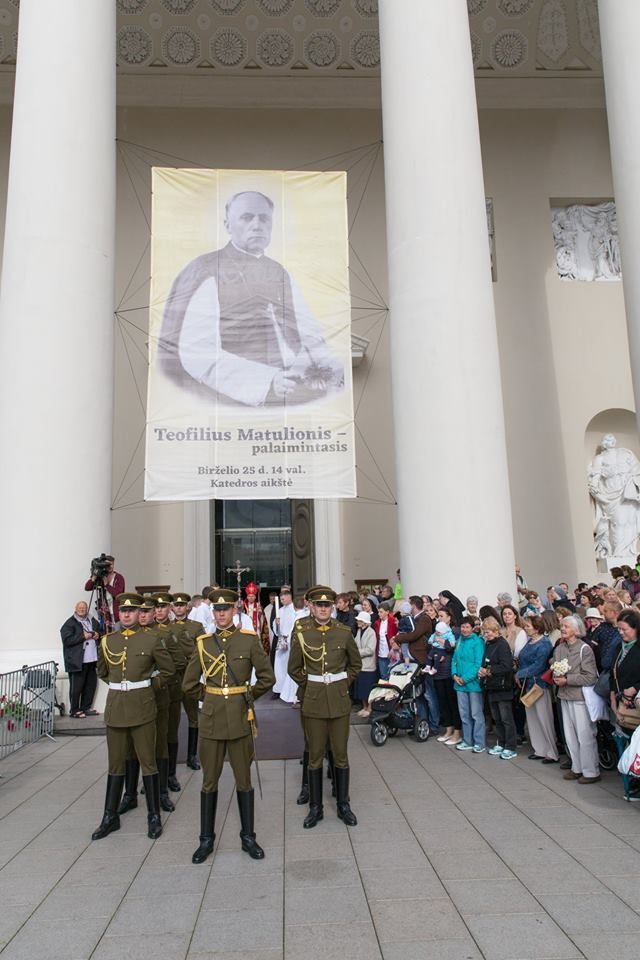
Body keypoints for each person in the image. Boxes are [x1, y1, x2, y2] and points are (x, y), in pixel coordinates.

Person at [159, 190, 344, 406]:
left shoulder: (279, 272)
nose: (257, 225)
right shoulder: (206, 270)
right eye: (247, 217)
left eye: (264, 218)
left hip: (294, 389)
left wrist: (329, 366)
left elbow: (308, 332)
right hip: (235, 397)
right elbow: (198, 354)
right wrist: (266, 381)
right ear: (228, 225)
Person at [181, 588, 274, 863]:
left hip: (239, 718)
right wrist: (208, 697)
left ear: (235, 610)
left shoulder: (248, 641)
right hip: (211, 720)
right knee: (209, 781)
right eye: (217, 610)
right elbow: (188, 684)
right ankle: (205, 840)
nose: (221, 614)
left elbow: (267, 678)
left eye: (226, 609)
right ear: (213, 613)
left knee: (243, 779)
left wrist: (247, 696)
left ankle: (248, 837)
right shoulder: (203, 643)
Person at [91, 593, 175, 842]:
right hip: (116, 708)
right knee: (115, 763)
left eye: (132, 611)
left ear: (140, 613)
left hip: (143, 707)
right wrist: (120, 686)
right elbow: (103, 671)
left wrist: (147, 685)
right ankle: (110, 816)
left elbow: (168, 670)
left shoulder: (151, 639)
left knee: (148, 762)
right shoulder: (108, 641)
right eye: (123, 611)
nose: (127, 615)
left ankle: (153, 815)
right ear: (119, 613)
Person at [288, 585, 362, 829]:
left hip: (339, 701)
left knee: (340, 755)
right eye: (319, 605)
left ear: (332, 607)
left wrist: (342, 684)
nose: (323, 609)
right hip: (314, 701)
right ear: (312, 606)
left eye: (327, 605)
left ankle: (343, 805)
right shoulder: (302, 631)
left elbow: (355, 664)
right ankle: (315, 808)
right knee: (315, 757)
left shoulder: (342, 631)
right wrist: (311, 686)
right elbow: (294, 668)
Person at [118, 595, 187, 816]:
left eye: (149, 611)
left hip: (158, 696)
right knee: (130, 747)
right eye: (145, 611)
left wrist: (153, 681)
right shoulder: (125, 638)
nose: (147, 615)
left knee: (160, 744)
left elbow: (178, 662)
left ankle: (162, 791)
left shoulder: (163, 634)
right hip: (133, 700)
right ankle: (129, 794)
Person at [551, 616, 600, 784]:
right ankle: (576, 767)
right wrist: (556, 676)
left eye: (566, 626)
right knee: (570, 735)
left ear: (576, 629)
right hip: (564, 695)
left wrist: (568, 679)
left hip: (579, 697)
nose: (562, 629)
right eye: (561, 626)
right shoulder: (559, 648)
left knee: (585, 734)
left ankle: (590, 771)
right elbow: (555, 666)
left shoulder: (584, 649)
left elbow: (590, 676)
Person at [516, 615, 558, 763]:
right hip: (527, 684)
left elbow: (539, 665)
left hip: (539, 685)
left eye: (528, 625)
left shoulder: (544, 644)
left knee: (544, 718)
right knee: (533, 718)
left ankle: (551, 751)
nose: (526, 628)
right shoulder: (530, 641)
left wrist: (519, 674)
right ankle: (539, 749)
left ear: (537, 627)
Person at [171, 592, 203, 772]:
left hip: (189, 676)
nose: (179, 608)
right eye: (176, 605)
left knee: (193, 717)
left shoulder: (196, 627)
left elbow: (202, 650)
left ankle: (192, 756)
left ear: (187, 608)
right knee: (171, 719)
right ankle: (170, 757)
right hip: (173, 677)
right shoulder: (166, 627)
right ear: (172, 608)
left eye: (182, 605)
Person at [479, 616, 517, 760]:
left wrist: (489, 670)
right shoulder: (489, 644)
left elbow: (507, 666)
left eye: (488, 631)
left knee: (506, 718)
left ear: (496, 631)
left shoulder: (502, 644)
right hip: (492, 686)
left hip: (503, 686)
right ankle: (501, 743)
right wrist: (484, 670)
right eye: (485, 632)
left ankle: (510, 746)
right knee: (497, 718)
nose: (486, 634)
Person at [451, 616, 486, 753]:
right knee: (464, 714)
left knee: (476, 714)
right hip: (459, 683)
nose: (464, 629)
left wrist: (465, 678)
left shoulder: (478, 642)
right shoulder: (459, 640)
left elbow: (478, 664)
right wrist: (454, 675)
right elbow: (454, 659)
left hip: (473, 684)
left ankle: (479, 742)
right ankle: (467, 740)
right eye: (463, 627)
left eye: (467, 627)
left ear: (472, 628)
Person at [60, 601, 101, 718]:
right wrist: (83, 636)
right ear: (75, 609)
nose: (82, 610)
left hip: (92, 659)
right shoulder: (69, 623)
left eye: (84, 608)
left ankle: (86, 707)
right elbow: (67, 640)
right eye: (80, 608)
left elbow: (100, 631)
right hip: (77, 661)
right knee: (76, 687)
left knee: (90, 684)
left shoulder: (91, 620)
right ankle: (74, 710)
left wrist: (98, 634)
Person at [428, 621, 461, 745]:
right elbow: (430, 646)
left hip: (448, 672)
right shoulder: (435, 634)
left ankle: (457, 732)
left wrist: (443, 642)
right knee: (443, 702)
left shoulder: (452, 633)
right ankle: (448, 729)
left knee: (452, 702)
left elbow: (452, 647)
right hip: (438, 672)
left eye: (442, 616)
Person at [610, 608, 640, 735]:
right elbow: (613, 673)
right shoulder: (619, 647)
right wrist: (612, 698)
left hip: (636, 708)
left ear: (636, 629)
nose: (621, 633)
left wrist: (635, 688)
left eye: (624, 629)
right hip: (621, 706)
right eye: (619, 629)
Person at [84, 555, 125, 630]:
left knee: (117, 634)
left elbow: (119, 594)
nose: (110, 566)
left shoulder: (119, 577)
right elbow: (87, 587)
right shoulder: (101, 577)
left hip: (117, 613)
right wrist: (94, 577)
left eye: (111, 564)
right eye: (107, 564)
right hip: (105, 613)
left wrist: (107, 585)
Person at [395, 595, 433, 666]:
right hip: (410, 657)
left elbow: (413, 635)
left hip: (419, 657)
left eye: (408, 604)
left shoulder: (424, 618)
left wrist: (397, 638)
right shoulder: (410, 618)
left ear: (413, 606)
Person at [273, 586, 296, 698]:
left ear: (289, 597)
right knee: (279, 665)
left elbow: (294, 624)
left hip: (290, 640)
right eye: (280, 600)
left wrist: (289, 636)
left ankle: (290, 691)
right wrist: (276, 623)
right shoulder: (280, 611)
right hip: (282, 640)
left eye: (283, 599)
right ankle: (279, 689)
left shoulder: (294, 609)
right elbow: (275, 628)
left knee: (289, 664)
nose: (281, 601)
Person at [353, 610, 377, 717]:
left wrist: (357, 652)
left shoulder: (371, 632)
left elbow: (370, 649)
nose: (357, 622)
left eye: (359, 620)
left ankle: (369, 708)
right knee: (361, 688)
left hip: (368, 666)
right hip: (360, 665)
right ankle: (364, 707)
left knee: (368, 689)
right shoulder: (359, 631)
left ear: (364, 622)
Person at [374, 602, 398, 681]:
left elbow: (396, 635)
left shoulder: (393, 622)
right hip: (381, 653)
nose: (379, 614)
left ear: (387, 612)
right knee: (383, 676)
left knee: (392, 675)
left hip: (392, 653)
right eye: (378, 612)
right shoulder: (377, 623)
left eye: (381, 612)